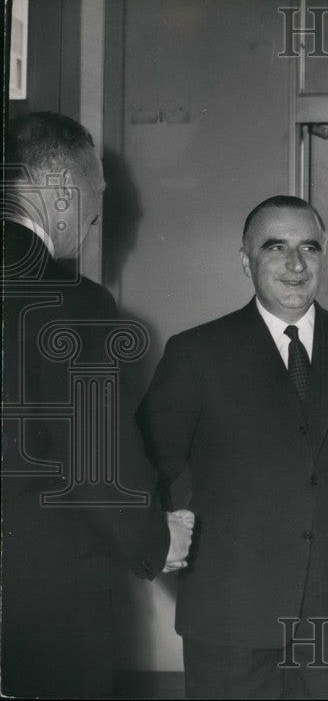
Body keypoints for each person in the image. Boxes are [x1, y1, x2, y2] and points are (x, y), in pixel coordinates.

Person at [137, 195, 328, 698]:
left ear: (322, 257)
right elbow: (142, 462)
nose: (294, 263)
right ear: (246, 260)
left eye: (308, 247)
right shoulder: (197, 353)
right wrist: (157, 529)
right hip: (229, 617)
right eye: (275, 247)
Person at [1, 112, 193, 697]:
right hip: (42, 606)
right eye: (95, 193)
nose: (94, 215)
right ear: (60, 189)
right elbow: (97, 463)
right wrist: (157, 542)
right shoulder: (73, 303)